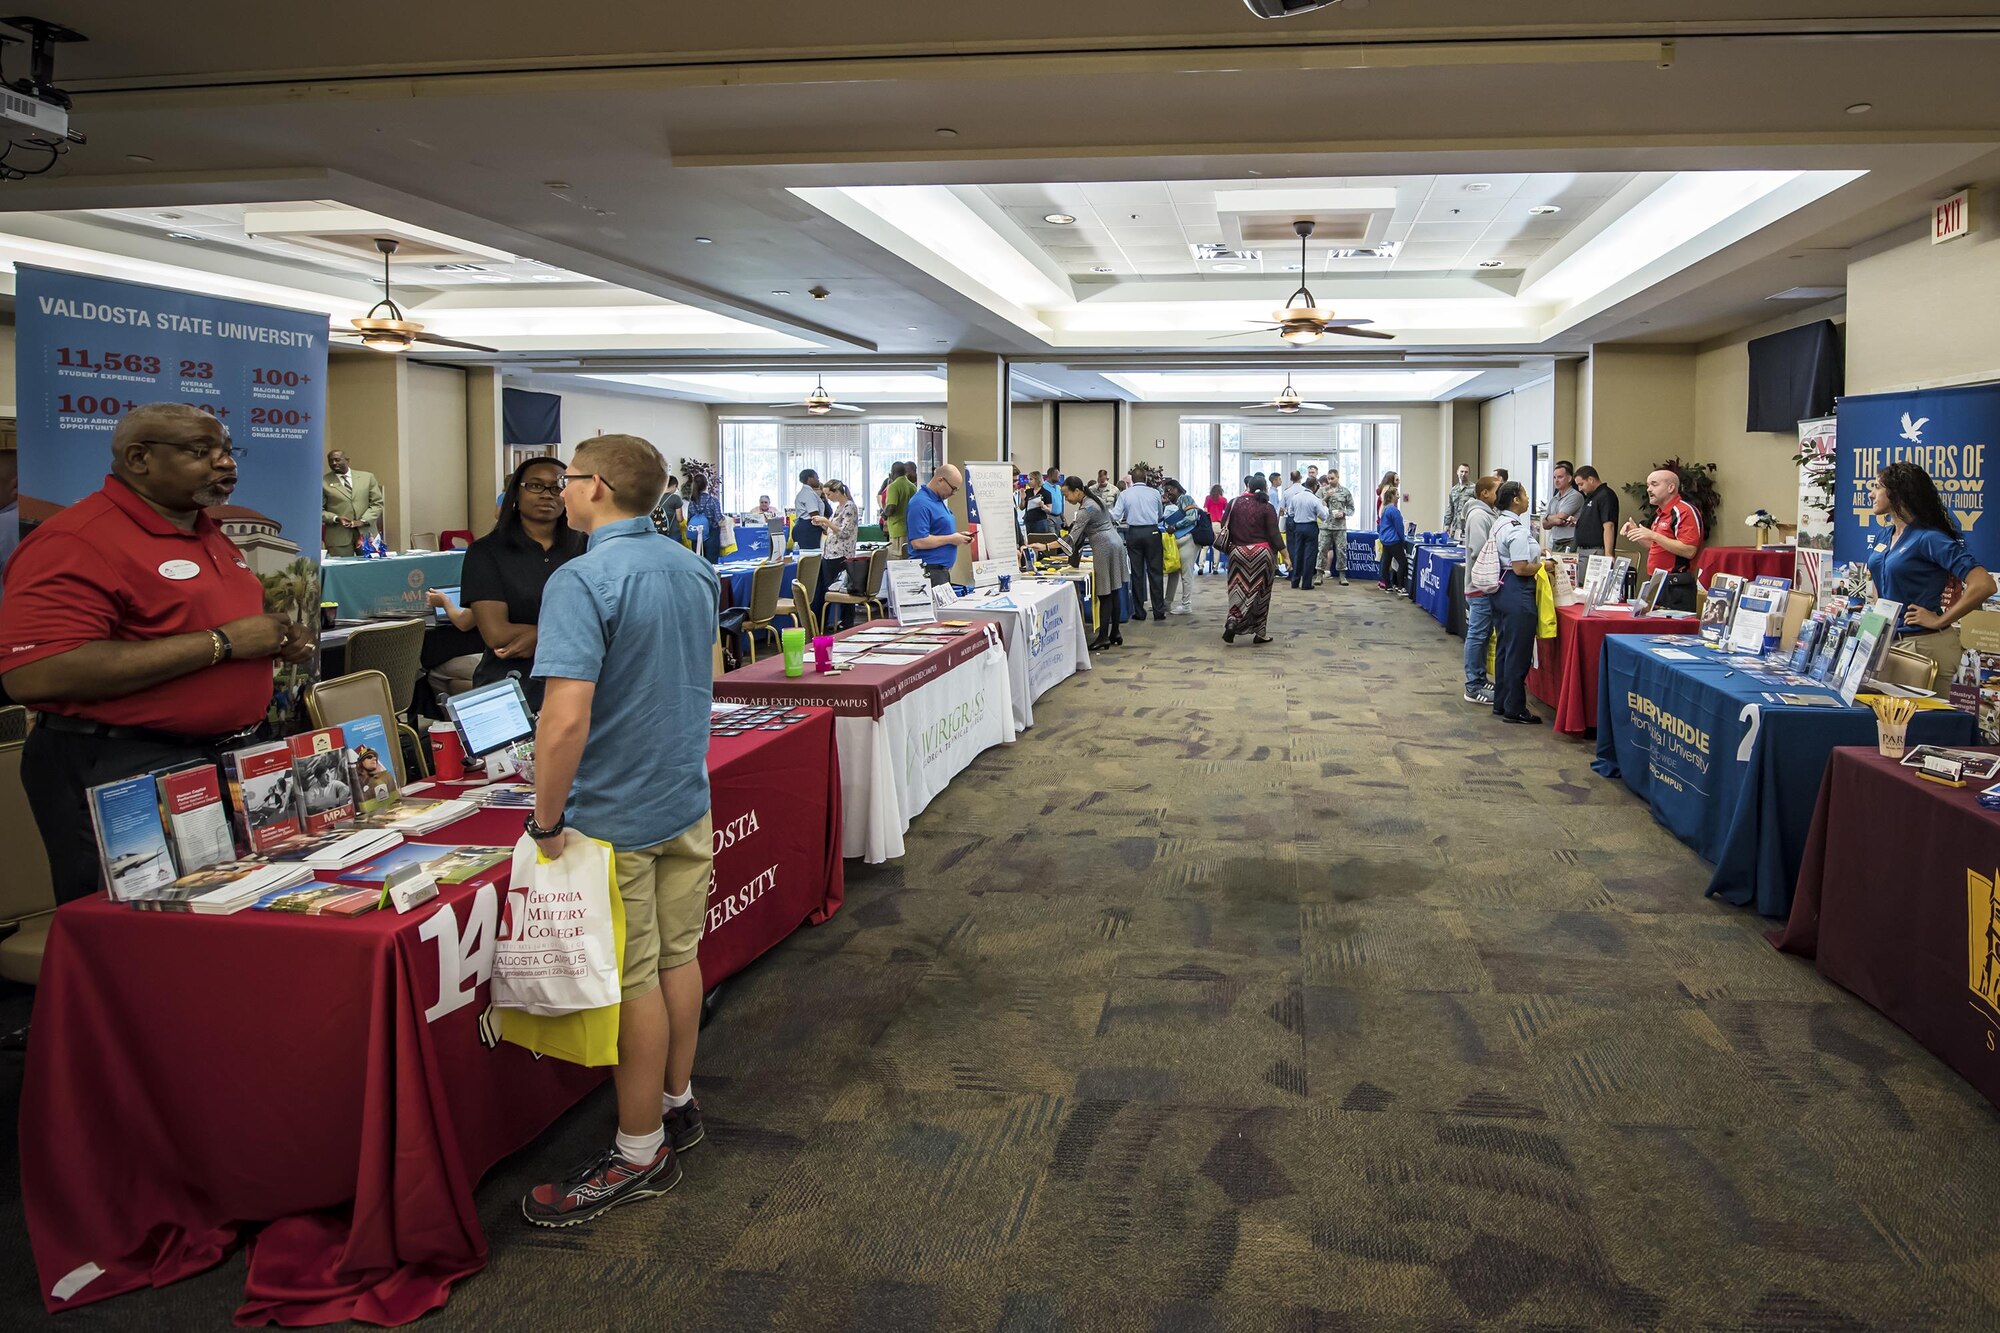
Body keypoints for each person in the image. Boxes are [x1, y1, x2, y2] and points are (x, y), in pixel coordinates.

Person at [522, 433, 719, 1228]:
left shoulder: (580, 578)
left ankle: (638, 1152)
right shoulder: (693, 566)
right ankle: (677, 1103)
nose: (559, 493)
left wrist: (543, 820)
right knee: (680, 957)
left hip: (615, 818)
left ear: (595, 485)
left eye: (566, 480)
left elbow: (564, 720)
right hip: (683, 798)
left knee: (635, 978)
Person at [0, 403, 313, 902]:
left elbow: (194, 631)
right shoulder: (75, 540)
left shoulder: (206, 531)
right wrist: (225, 644)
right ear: (139, 458)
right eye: (201, 451)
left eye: (227, 451)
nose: (225, 463)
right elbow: (35, 674)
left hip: (220, 760)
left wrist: (272, 641)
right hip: (120, 765)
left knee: (223, 923)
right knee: (140, 936)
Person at [459, 456, 589, 711]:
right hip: (509, 687)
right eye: (535, 486)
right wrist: (565, 635)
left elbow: (609, 623)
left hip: (576, 683)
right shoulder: (486, 552)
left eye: (557, 487)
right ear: (515, 493)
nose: (547, 495)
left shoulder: (587, 548)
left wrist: (539, 636)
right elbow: (497, 634)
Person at [1865, 460, 1998, 678]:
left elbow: (1984, 584)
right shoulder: (1884, 536)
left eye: (1877, 487)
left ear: (1898, 492)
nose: (1871, 494)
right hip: (1888, 643)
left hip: (1923, 647)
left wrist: (1940, 620)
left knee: (1912, 714)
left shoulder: (1929, 538)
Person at [1028, 476, 1128, 650]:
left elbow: (1070, 539)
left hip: (1104, 547)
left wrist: (1044, 545)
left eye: (1067, 495)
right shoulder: (1094, 500)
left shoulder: (1085, 509)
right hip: (1116, 542)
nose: (1066, 499)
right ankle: (1115, 632)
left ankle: (1103, 636)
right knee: (1114, 589)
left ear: (1077, 491)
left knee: (1104, 594)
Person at [1488, 480, 1548, 725]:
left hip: (1501, 590)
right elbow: (1522, 568)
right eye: (1524, 494)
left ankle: (1502, 702)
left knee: (1505, 649)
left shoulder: (1499, 523)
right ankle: (1515, 707)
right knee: (1518, 652)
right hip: (1517, 589)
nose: (1527, 498)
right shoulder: (1515, 528)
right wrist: (1545, 566)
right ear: (1515, 498)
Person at [1622, 468, 1703, 610]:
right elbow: (1655, 545)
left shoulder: (1684, 511)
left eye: (1654, 484)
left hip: (1676, 585)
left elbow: (1689, 551)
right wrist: (1637, 533)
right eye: (1648, 485)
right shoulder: (1660, 514)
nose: (1648, 489)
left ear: (1671, 487)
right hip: (1656, 581)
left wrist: (1653, 535)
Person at [1221, 477, 1281, 645]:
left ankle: (1233, 620)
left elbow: (1224, 525)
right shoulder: (1267, 507)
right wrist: (1286, 555)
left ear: (1248, 486)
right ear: (1265, 489)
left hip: (1237, 552)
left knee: (1237, 589)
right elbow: (1274, 534)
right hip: (1262, 554)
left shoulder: (1233, 503)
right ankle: (1260, 633)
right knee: (1261, 594)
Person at [1460, 475, 1503, 706]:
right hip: (1480, 587)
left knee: (1483, 635)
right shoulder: (1478, 516)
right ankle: (1473, 686)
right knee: (1477, 635)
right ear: (1484, 493)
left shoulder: (1488, 514)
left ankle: (1479, 677)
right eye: (1498, 489)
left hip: (1485, 586)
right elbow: (1479, 550)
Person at [1112, 468, 1167, 622]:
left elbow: (1116, 515)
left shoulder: (1124, 494)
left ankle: (1140, 612)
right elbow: (1160, 514)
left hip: (1134, 533)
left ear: (1133, 480)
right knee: (1155, 572)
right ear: (1146, 478)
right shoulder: (1155, 493)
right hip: (1152, 532)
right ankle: (1158, 611)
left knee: (1137, 573)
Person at [809, 479, 862, 631]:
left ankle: (846, 623)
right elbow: (834, 530)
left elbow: (844, 532)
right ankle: (832, 622)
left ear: (838, 492)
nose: (827, 497)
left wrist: (826, 521)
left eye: (828, 494)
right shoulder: (839, 507)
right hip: (831, 553)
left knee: (839, 589)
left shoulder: (849, 507)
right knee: (831, 588)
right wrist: (824, 524)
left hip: (840, 555)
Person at [906, 463, 971, 585]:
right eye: (953, 488)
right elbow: (918, 542)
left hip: (940, 572)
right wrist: (951, 539)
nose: (954, 493)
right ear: (940, 480)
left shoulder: (937, 501)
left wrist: (958, 537)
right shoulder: (920, 503)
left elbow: (938, 531)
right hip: (929, 572)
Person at [321, 449, 385, 555]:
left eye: (337, 460)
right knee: (343, 570)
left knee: (371, 569)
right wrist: (336, 518)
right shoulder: (323, 482)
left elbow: (377, 503)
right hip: (339, 537)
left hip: (367, 535)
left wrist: (363, 520)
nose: (334, 463)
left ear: (347, 460)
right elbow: (318, 510)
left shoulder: (367, 477)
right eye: (330, 461)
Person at [1159, 479, 1199, 615]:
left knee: (1186, 574)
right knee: (1173, 573)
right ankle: (1167, 603)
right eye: (1165, 490)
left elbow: (1193, 517)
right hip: (1178, 542)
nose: (1167, 492)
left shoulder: (1185, 498)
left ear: (1178, 488)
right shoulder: (1174, 503)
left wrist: (1175, 526)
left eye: (1170, 489)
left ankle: (1186, 605)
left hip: (1188, 540)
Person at [1282, 475, 1328, 590]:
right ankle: (1306, 583)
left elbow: (1290, 513)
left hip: (1298, 527)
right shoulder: (1314, 499)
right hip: (1310, 527)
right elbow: (1323, 516)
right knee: (1309, 556)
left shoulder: (1296, 498)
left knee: (1298, 553)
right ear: (1314, 486)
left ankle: (1295, 581)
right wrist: (1325, 507)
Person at [1541, 460, 1586, 552]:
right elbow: (1544, 525)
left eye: (1560, 477)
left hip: (1570, 541)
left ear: (1569, 478)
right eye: (1554, 477)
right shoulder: (1554, 499)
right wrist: (1552, 519)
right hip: (1556, 542)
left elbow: (1560, 518)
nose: (1556, 480)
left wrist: (1548, 518)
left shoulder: (1575, 496)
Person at [1319, 471, 1354, 586]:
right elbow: (1316, 504)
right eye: (1328, 479)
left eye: (1332, 478)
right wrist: (1326, 497)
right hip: (1325, 526)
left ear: (1338, 478)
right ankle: (1319, 574)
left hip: (1340, 527)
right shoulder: (1322, 490)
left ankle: (1342, 575)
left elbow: (1351, 508)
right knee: (1322, 549)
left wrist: (1343, 513)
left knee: (1341, 551)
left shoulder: (1345, 491)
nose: (1330, 481)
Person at [1573, 465, 1617, 555]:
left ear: (1591, 480)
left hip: (1596, 550)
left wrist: (1608, 554)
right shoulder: (1591, 496)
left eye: (1581, 484)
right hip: (1583, 549)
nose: (1579, 489)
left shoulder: (1605, 495)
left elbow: (1609, 526)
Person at [683, 471, 725, 561]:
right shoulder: (713, 500)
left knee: (698, 563)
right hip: (711, 536)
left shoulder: (692, 502)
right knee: (712, 564)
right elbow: (719, 520)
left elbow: (688, 520)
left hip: (696, 537)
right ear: (707, 484)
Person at [1376, 485, 1410, 594]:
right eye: (1397, 495)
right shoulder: (1394, 511)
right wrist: (1403, 539)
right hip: (1394, 541)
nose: (1399, 497)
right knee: (1402, 562)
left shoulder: (1385, 509)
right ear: (1392, 496)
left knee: (1386, 562)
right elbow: (1399, 527)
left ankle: (1388, 585)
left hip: (1385, 540)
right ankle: (1400, 586)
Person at [882, 462, 918, 557]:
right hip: (910, 530)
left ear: (893, 473)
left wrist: (884, 514)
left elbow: (891, 507)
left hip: (897, 531)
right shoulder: (913, 487)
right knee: (908, 560)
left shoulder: (894, 486)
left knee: (897, 561)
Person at [791, 469, 827, 552]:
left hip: (804, 527)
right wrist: (826, 527)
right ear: (810, 478)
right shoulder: (808, 494)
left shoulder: (806, 492)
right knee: (810, 557)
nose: (818, 480)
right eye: (817, 478)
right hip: (808, 529)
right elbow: (814, 515)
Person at [1199, 484, 1229, 574]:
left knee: (1204, 547)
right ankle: (1215, 568)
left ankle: (1201, 567)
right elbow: (1226, 511)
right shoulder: (1223, 500)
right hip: (1218, 524)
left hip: (1209, 523)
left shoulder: (1208, 498)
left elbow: (1205, 510)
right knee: (1216, 547)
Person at [1444, 464, 1476, 542]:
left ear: (1469, 474)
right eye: (1461, 471)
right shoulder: (1454, 490)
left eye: (1466, 472)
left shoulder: (1474, 488)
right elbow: (1450, 508)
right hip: (1455, 528)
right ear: (1457, 472)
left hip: (1467, 526)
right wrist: (1447, 524)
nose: (1463, 474)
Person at [1021, 469, 1056, 536]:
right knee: (1030, 541)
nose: (1029, 481)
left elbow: (1049, 510)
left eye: (1031, 479)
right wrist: (1022, 499)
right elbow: (1022, 507)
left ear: (1037, 480)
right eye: (1029, 479)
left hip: (1040, 522)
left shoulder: (1046, 493)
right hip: (1029, 521)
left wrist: (1043, 506)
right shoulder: (1028, 492)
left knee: (1040, 541)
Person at [650, 474, 684, 541]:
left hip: (657, 532)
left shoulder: (655, 497)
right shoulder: (676, 498)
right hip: (673, 532)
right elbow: (679, 518)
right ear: (674, 485)